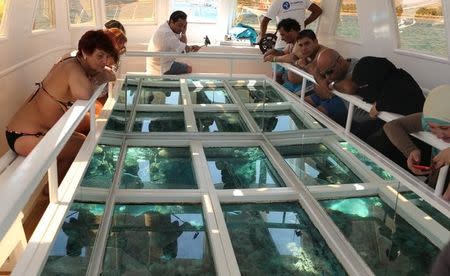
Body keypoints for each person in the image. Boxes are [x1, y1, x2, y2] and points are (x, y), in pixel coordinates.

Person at [5, 30, 117, 182]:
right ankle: (51, 194)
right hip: (23, 135)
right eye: (99, 56)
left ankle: (60, 185)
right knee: (81, 145)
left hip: (45, 129)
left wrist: (100, 73)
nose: (104, 61)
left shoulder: (76, 62)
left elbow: (110, 74)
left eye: (107, 56)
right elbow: (85, 93)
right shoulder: (71, 67)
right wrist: (101, 75)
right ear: (84, 52)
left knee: (88, 132)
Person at [383, 85, 450, 200]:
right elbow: (392, 126)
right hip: (436, 186)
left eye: (444, 128)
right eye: (432, 128)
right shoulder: (433, 119)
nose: (439, 135)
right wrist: (411, 150)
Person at [259, 1, 322, 83]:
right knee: (278, 75)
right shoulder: (277, 3)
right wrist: (269, 46)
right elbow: (265, 21)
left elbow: (318, 11)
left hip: (298, 40)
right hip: (285, 44)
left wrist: (305, 23)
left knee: (282, 75)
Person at [308, 48, 356, 125]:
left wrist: (331, 85)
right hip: (335, 96)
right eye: (324, 74)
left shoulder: (357, 69)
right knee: (304, 102)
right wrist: (323, 83)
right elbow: (315, 70)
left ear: (340, 62)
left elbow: (348, 87)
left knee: (316, 115)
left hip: (347, 103)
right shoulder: (336, 64)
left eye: (329, 72)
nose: (327, 77)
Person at [146, 10, 201, 75]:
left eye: (183, 26)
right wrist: (193, 48)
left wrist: (183, 33)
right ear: (172, 21)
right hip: (161, 68)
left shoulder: (169, 27)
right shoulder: (166, 33)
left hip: (162, 64)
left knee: (184, 64)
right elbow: (185, 50)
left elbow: (182, 46)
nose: (181, 29)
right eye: (180, 25)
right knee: (189, 68)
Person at [262, 18, 302, 92]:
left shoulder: (301, 43)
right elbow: (283, 53)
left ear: (292, 31)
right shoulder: (291, 44)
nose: (282, 39)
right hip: (291, 83)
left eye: (283, 35)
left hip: (302, 87)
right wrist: (274, 51)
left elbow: (293, 57)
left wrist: (274, 58)